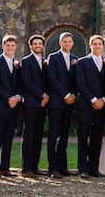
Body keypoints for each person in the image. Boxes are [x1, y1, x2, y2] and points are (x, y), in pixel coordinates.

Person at [0, 35, 22, 177]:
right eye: (8, 45)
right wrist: (9, 98)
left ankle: (4, 167)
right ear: (3, 46)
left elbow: (21, 84)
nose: (10, 48)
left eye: (13, 46)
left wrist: (18, 97)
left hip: (13, 107)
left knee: (8, 137)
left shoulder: (17, 64)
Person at [45, 32, 79, 178]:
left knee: (64, 136)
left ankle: (63, 166)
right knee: (53, 136)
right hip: (56, 102)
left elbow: (77, 80)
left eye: (70, 41)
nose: (67, 43)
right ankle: (53, 168)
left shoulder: (75, 59)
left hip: (69, 103)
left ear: (72, 43)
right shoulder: (53, 57)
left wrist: (73, 95)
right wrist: (66, 95)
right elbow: (52, 79)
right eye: (65, 41)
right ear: (60, 43)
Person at [76, 35, 105, 178]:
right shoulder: (82, 62)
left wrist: (103, 99)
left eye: (99, 44)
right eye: (94, 44)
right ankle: (83, 168)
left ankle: (94, 168)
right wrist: (94, 99)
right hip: (86, 105)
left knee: (97, 137)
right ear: (90, 45)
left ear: (102, 46)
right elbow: (80, 83)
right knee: (83, 137)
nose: (97, 46)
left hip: (102, 106)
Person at [19, 34, 49, 178]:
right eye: (35, 44)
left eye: (40, 44)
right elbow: (27, 82)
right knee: (29, 135)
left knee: (38, 136)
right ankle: (26, 168)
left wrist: (45, 97)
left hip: (43, 104)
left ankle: (35, 166)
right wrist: (42, 95)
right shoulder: (26, 61)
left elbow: (48, 81)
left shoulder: (45, 62)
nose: (38, 46)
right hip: (31, 104)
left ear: (43, 46)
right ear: (30, 46)